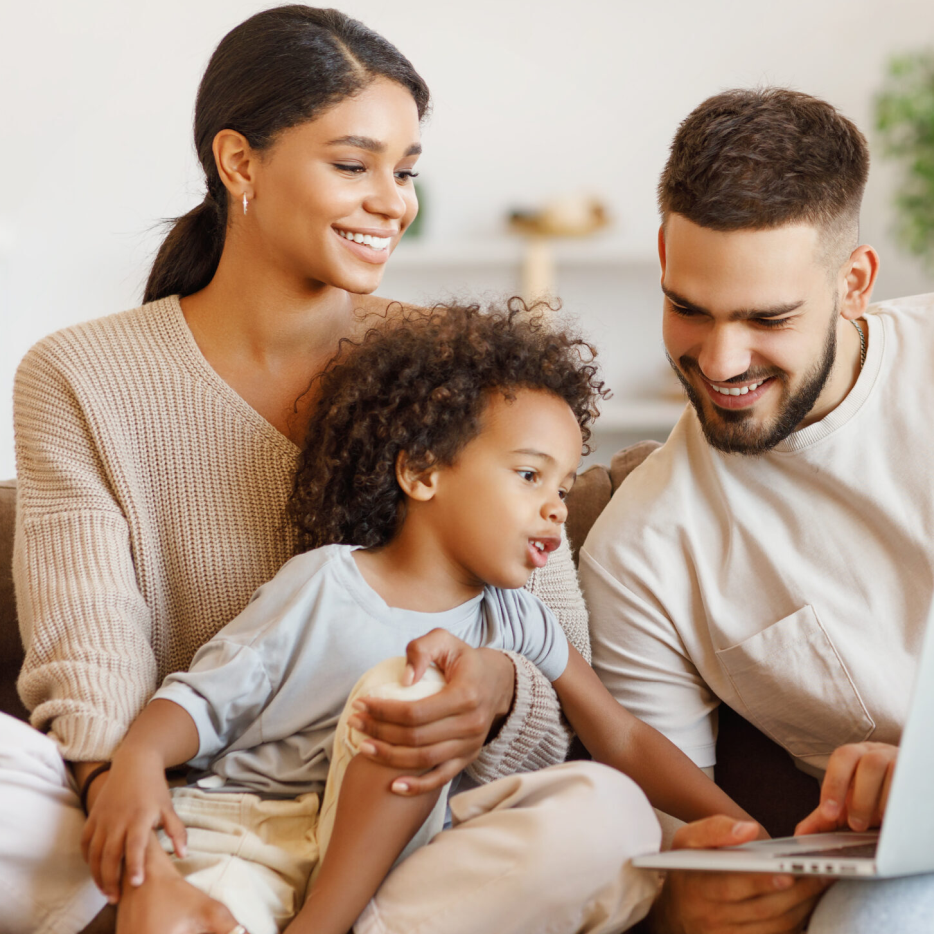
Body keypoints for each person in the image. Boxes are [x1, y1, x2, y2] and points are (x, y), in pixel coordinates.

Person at [4, 8, 616, 934]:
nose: (393, 201)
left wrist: (491, 691)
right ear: (240, 162)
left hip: (402, 825)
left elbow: (556, 641)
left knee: (602, 823)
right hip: (168, 799)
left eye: (405, 171)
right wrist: (139, 844)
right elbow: (91, 646)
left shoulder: (458, 369)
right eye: (353, 164)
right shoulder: (79, 374)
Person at [82, 301, 758, 934]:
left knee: (614, 810)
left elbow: (623, 738)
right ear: (423, 473)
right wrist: (137, 762)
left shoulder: (521, 621)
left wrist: (751, 833)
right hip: (249, 835)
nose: (555, 507)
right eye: (529, 476)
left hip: (404, 861)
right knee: (415, 688)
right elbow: (202, 703)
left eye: (564, 486)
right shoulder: (328, 582)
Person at [580, 87, 934, 934]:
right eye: (687, 308)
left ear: (854, 284)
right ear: (664, 255)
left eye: (768, 318)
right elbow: (674, 837)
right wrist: (684, 897)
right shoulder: (638, 550)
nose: (721, 361)